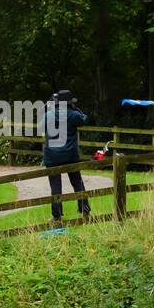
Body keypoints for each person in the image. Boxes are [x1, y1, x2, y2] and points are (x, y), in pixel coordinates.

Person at [42, 89, 91, 222]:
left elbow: (42, 126)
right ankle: (85, 212)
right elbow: (85, 119)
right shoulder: (73, 114)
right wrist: (77, 109)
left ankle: (57, 216)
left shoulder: (48, 115)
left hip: (52, 156)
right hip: (70, 155)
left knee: (55, 187)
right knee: (77, 183)